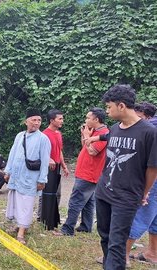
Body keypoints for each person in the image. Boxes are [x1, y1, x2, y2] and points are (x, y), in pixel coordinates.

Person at [94, 84, 157, 269]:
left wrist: (143, 193)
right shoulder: (114, 129)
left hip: (127, 197)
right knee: (105, 237)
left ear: (121, 106)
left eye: (109, 106)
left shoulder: (149, 132)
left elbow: (152, 168)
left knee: (117, 242)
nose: (107, 110)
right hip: (104, 192)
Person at [54, 108, 109, 237]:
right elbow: (85, 146)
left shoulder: (103, 133)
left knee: (76, 201)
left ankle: (67, 229)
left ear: (96, 119)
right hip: (86, 172)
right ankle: (86, 226)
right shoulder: (94, 132)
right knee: (89, 201)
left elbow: (92, 152)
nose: (86, 120)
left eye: (88, 118)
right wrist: (84, 135)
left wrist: (87, 136)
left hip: (89, 174)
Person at [4, 109, 51, 245]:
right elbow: (12, 154)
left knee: (26, 203)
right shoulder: (19, 136)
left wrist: (42, 179)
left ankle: (21, 233)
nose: (36, 123)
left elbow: (44, 160)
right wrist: (8, 171)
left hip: (30, 177)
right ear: (26, 121)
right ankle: (19, 225)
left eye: (39, 120)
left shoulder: (43, 139)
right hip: (17, 175)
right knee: (15, 201)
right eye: (33, 120)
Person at [125, 101, 157, 266]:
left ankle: (122, 255)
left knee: (140, 214)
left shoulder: (150, 127)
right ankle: (153, 252)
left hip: (153, 179)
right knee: (154, 216)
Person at [40, 109, 70, 230]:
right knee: (46, 192)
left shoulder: (58, 133)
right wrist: (48, 159)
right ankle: (42, 217)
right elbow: (40, 152)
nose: (62, 121)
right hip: (47, 167)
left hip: (56, 166)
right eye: (60, 119)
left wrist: (64, 165)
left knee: (57, 193)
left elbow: (59, 150)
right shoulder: (44, 135)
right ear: (52, 120)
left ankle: (52, 216)